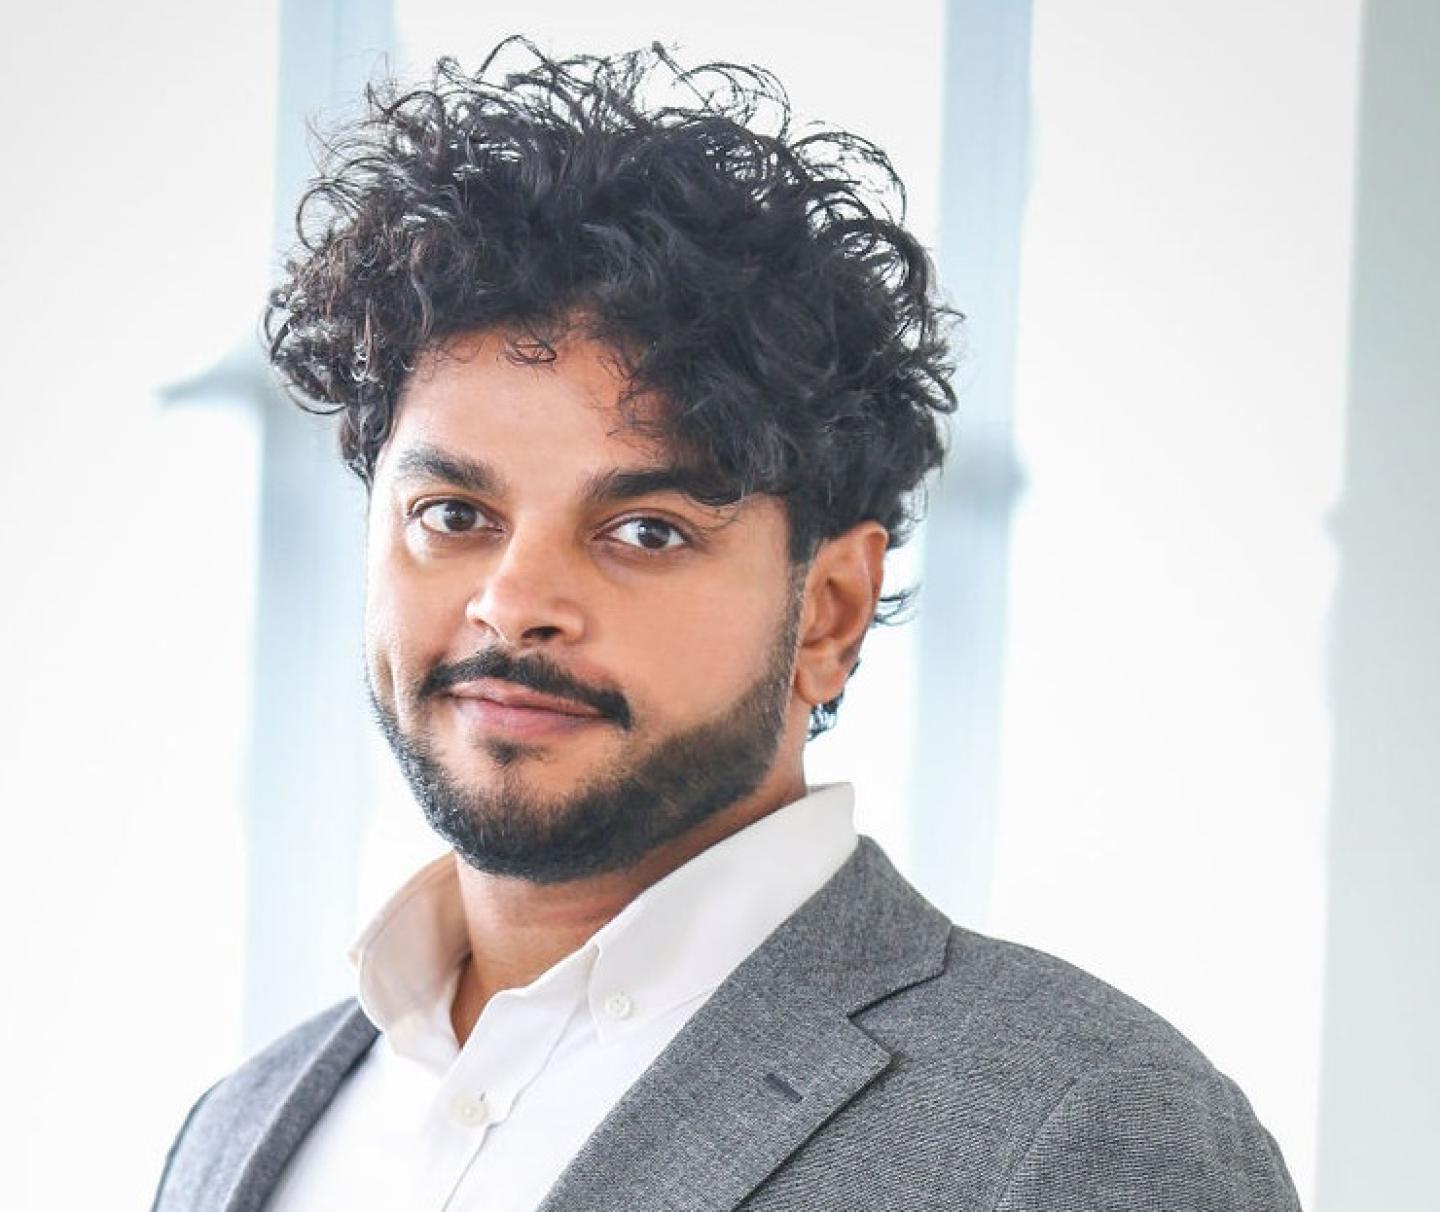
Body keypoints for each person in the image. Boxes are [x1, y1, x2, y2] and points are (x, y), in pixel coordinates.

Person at [152, 39, 1301, 1211]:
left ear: (830, 611)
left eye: (645, 530)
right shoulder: (239, 1128)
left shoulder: (1083, 1131)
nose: (514, 602)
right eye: (453, 515)